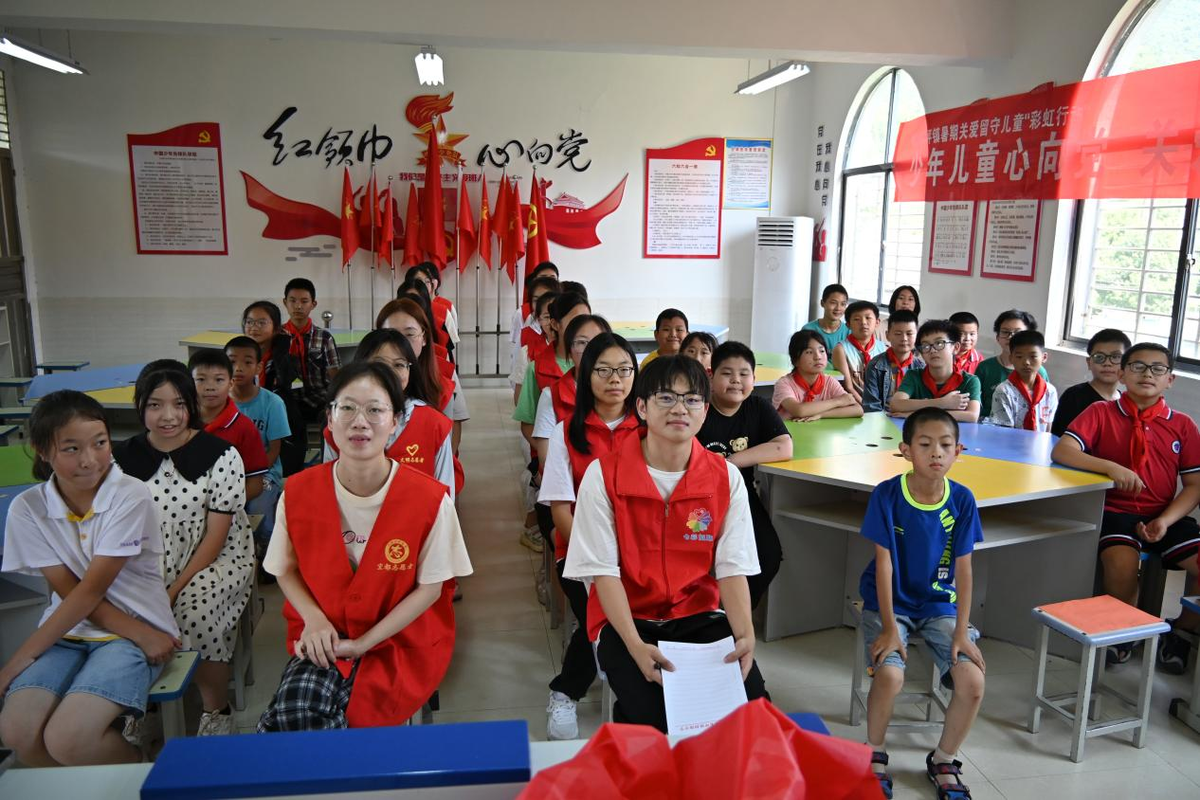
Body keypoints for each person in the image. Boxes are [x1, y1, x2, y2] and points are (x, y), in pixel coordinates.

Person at [257, 362, 472, 730]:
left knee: (366, 725)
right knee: (295, 716)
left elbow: (430, 589)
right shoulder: (298, 492)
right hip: (325, 632)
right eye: (347, 408)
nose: (360, 422)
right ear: (329, 418)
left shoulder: (429, 499)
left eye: (375, 410)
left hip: (401, 639)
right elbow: (284, 569)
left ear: (395, 422)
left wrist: (363, 644)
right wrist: (314, 619)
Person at [562, 356, 768, 732]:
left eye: (692, 399)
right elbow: (604, 573)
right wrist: (635, 646)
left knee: (751, 712)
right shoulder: (604, 475)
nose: (679, 409)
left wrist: (744, 635)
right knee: (655, 719)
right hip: (627, 621)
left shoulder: (725, 478)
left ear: (705, 411)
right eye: (666, 397)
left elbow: (732, 567)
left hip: (698, 617)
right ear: (642, 407)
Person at [0, 391, 180, 766]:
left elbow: (90, 591)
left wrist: (16, 661)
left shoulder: (130, 495)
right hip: (67, 632)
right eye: (71, 449)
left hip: (132, 630)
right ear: (41, 450)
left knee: (69, 739)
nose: (90, 460)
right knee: (17, 732)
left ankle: (138, 768)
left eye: (100, 443)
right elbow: (69, 593)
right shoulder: (28, 508)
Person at [113, 363, 254, 736]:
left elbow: (216, 536)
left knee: (194, 614)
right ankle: (140, 705)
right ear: (140, 406)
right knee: (123, 615)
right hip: (144, 559)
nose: (168, 416)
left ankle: (215, 709)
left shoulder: (221, 455)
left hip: (213, 556)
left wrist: (172, 590)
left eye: (178, 404)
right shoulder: (120, 459)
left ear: (191, 405)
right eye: (155, 405)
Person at [859, 408, 985, 800]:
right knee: (891, 676)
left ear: (958, 451)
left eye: (945, 445)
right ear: (906, 450)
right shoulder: (887, 495)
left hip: (939, 606)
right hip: (889, 605)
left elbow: (964, 569)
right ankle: (874, 753)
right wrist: (889, 629)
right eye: (925, 444)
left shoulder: (962, 499)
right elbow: (884, 565)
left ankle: (944, 760)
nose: (936, 453)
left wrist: (961, 631)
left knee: (973, 682)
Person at [1052, 343, 1200, 671]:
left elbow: (1194, 486)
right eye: (1137, 366)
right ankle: (1123, 634)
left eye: (1158, 368)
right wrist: (1110, 467)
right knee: (1121, 564)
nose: (1147, 374)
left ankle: (1182, 631)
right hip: (1115, 513)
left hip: (1165, 515)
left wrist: (1165, 520)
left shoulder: (1183, 425)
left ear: (1170, 379)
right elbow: (1062, 451)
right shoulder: (1100, 412)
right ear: (1122, 374)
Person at [537, 332, 641, 739]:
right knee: (605, 613)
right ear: (585, 376)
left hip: (640, 550)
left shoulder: (649, 428)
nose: (615, 379)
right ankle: (566, 691)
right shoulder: (567, 432)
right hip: (579, 552)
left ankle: (632, 680)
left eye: (624, 370)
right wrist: (597, 560)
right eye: (604, 370)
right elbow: (560, 509)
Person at [697, 341, 792, 607]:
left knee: (768, 555)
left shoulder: (758, 407)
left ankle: (735, 614)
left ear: (754, 378)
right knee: (699, 558)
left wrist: (730, 463)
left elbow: (783, 446)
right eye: (727, 373)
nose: (736, 380)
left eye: (743, 374)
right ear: (711, 376)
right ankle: (708, 612)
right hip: (698, 500)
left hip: (741, 497)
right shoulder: (699, 407)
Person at [323, 329, 456, 499]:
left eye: (399, 365)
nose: (390, 372)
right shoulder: (341, 424)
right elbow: (328, 490)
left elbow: (445, 495)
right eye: (380, 364)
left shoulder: (434, 424)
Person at [226, 336, 291, 556]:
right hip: (225, 476)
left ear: (259, 367)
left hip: (265, 473)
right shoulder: (219, 403)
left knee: (259, 511)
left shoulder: (272, 403)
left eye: (247, 362)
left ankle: (269, 555)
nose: (238, 368)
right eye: (232, 362)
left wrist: (251, 477)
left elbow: (274, 450)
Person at [189, 348, 269, 503]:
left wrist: (224, 506)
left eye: (219, 380)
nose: (210, 387)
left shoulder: (244, 427)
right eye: (201, 379)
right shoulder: (180, 423)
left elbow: (255, 484)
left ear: (231, 383)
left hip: (228, 507)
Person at [240, 301, 306, 476]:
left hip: (278, 419)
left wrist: (282, 353)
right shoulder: (237, 355)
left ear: (276, 328)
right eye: (249, 322)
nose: (254, 327)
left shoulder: (285, 356)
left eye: (262, 322)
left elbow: (291, 390)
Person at [890, 320, 982, 423]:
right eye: (925, 346)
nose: (932, 350)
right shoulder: (914, 375)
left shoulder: (970, 381)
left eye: (939, 343)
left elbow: (972, 416)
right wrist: (942, 403)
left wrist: (914, 414)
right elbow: (895, 404)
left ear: (955, 348)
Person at [1050, 328, 1131, 437]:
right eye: (1099, 357)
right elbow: (1059, 439)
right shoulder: (1074, 397)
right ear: (1089, 363)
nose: (1107, 363)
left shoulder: (1126, 402)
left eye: (1116, 357)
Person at [282, 278, 341, 424]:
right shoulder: (278, 336)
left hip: (319, 398)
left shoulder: (324, 337)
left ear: (313, 304)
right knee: (287, 416)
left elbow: (335, 375)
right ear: (285, 302)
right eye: (293, 301)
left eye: (304, 301)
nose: (298, 306)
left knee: (330, 418)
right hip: (287, 398)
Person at [772, 329, 863, 422]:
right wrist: (839, 401)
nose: (818, 357)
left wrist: (821, 414)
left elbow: (858, 410)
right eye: (809, 352)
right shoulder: (784, 383)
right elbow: (799, 410)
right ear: (795, 360)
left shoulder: (829, 381)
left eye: (822, 351)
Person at [974, 310, 1048, 419]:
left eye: (1018, 332)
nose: (1011, 337)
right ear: (997, 337)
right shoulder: (985, 368)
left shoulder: (1039, 371)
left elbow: (1044, 408)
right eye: (1005, 332)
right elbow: (976, 404)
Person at [986, 330, 1057, 432]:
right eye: (1019, 357)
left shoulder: (1050, 391)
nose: (1026, 362)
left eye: (1033, 356)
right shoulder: (1004, 391)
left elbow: (1048, 428)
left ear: (1044, 357)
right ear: (1011, 358)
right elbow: (1003, 432)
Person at [509, 263, 561, 392]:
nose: (542, 305)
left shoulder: (569, 334)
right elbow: (518, 374)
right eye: (536, 300)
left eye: (547, 298)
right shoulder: (526, 332)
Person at [861, 310, 922, 414]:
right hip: (883, 418)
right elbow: (871, 406)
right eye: (898, 334)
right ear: (887, 335)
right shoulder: (875, 365)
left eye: (909, 334)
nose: (904, 338)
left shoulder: (921, 367)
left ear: (917, 336)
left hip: (912, 417)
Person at [832, 300, 888, 404]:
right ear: (848, 324)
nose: (863, 322)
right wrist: (867, 407)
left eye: (868, 318)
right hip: (854, 404)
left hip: (881, 404)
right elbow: (848, 387)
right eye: (857, 319)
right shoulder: (840, 349)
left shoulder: (884, 349)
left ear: (877, 322)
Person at [802, 283, 850, 355]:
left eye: (843, 304)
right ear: (822, 303)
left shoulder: (849, 331)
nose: (838, 308)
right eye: (833, 303)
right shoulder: (808, 330)